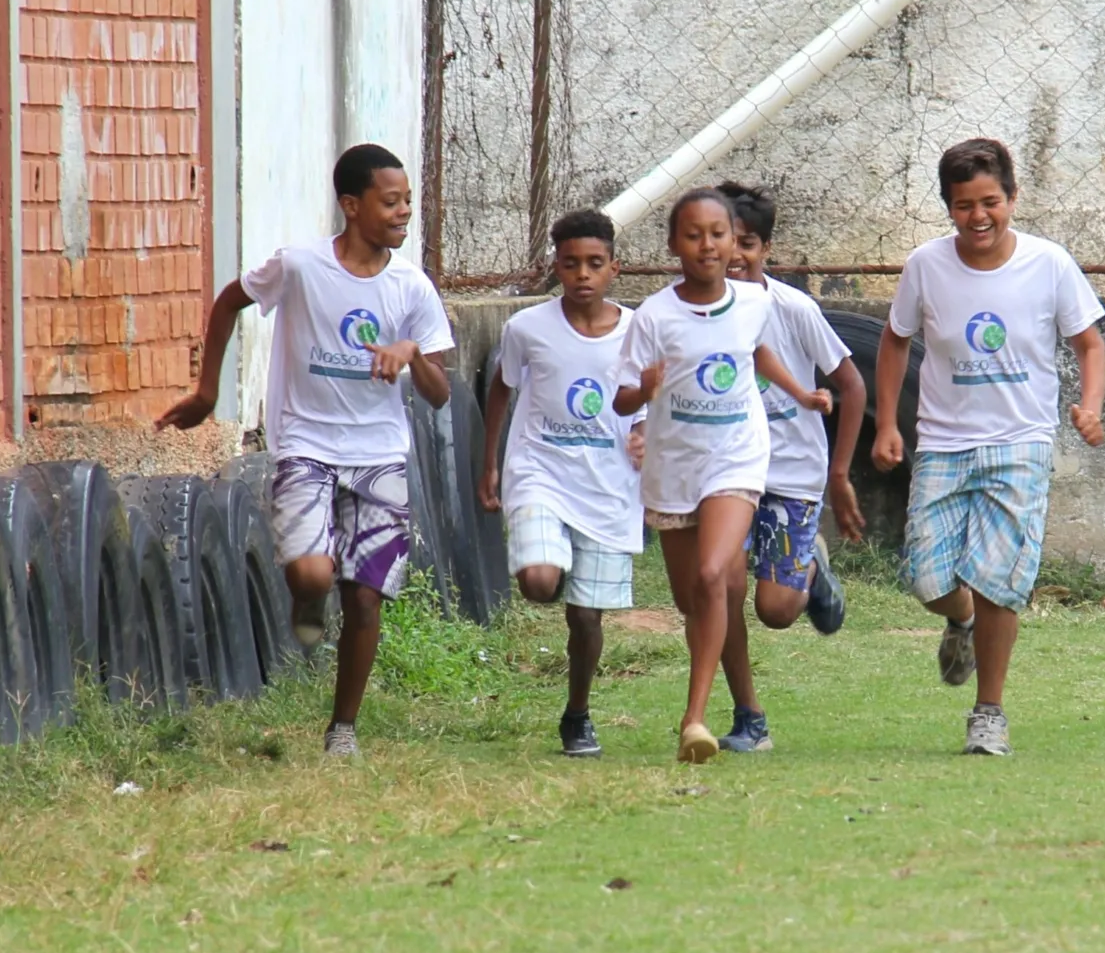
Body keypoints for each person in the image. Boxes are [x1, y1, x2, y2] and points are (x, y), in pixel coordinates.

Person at [158, 143, 454, 759]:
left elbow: (440, 392)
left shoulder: (412, 287)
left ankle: (342, 728)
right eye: (390, 201)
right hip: (307, 444)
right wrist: (209, 390)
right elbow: (230, 301)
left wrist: (412, 353)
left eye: (408, 201)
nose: (404, 213)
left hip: (380, 455)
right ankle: (306, 596)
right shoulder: (300, 267)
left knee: (366, 595)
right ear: (352, 204)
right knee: (314, 572)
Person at [873, 137, 1105, 758]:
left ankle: (989, 712)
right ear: (948, 207)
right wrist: (888, 426)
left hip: (1020, 442)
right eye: (963, 205)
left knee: (1001, 582)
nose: (979, 217)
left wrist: (1090, 404)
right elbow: (896, 341)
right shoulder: (926, 265)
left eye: (991, 202)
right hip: (944, 443)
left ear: (1012, 197)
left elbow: (1089, 344)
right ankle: (961, 620)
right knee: (927, 577)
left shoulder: (1049, 263)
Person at [614, 188, 831, 764]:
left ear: (734, 240)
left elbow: (758, 353)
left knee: (714, 574)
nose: (707, 245)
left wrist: (801, 394)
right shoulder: (655, 316)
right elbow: (619, 398)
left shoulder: (754, 302)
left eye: (717, 233)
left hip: (737, 457)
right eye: (693, 235)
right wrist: (644, 391)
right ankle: (743, 713)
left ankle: (694, 719)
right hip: (673, 465)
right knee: (701, 598)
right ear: (672, 245)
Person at [478, 209, 645, 760]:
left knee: (585, 616)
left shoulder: (639, 330)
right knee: (540, 582)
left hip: (609, 487)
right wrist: (491, 462)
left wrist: (647, 432)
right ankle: (550, 557)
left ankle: (577, 715)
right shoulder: (527, 328)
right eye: (571, 264)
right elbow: (502, 389)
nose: (582, 275)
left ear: (614, 268)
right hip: (540, 473)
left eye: (595, 264)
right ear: (556, 267)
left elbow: (655, 394)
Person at [711, 180, 868, 754]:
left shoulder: (793, 309)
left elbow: (849, 386)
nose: (733, 256)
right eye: (724, 241)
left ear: (766, 249)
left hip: (791, 476)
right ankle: (748, 717)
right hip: (723, 475)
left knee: (775, 611)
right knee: (723, 590)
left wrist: (838, 474)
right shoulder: (693, 310)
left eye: (747, 244)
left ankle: (809, 568)